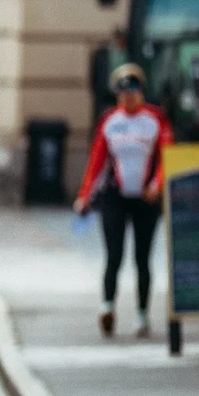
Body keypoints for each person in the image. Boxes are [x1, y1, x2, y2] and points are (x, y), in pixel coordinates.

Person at [74, 64, 172, 339]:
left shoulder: (155, 119)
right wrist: (84, 196)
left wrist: (157, 185)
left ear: (141, 91)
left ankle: (142, 315)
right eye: (121, 92)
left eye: (132, 91)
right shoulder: (110, 121)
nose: (127, 97)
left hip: (145, 198)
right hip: (115, 196)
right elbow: (97, 161)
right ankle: (107, 307)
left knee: (142, 258)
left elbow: (167, 156)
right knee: (113, 255)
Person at [88, 28, 131, 125]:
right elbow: (94, 76)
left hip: (122, 96)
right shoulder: (102, 54)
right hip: (105, 96)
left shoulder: (129, 54)